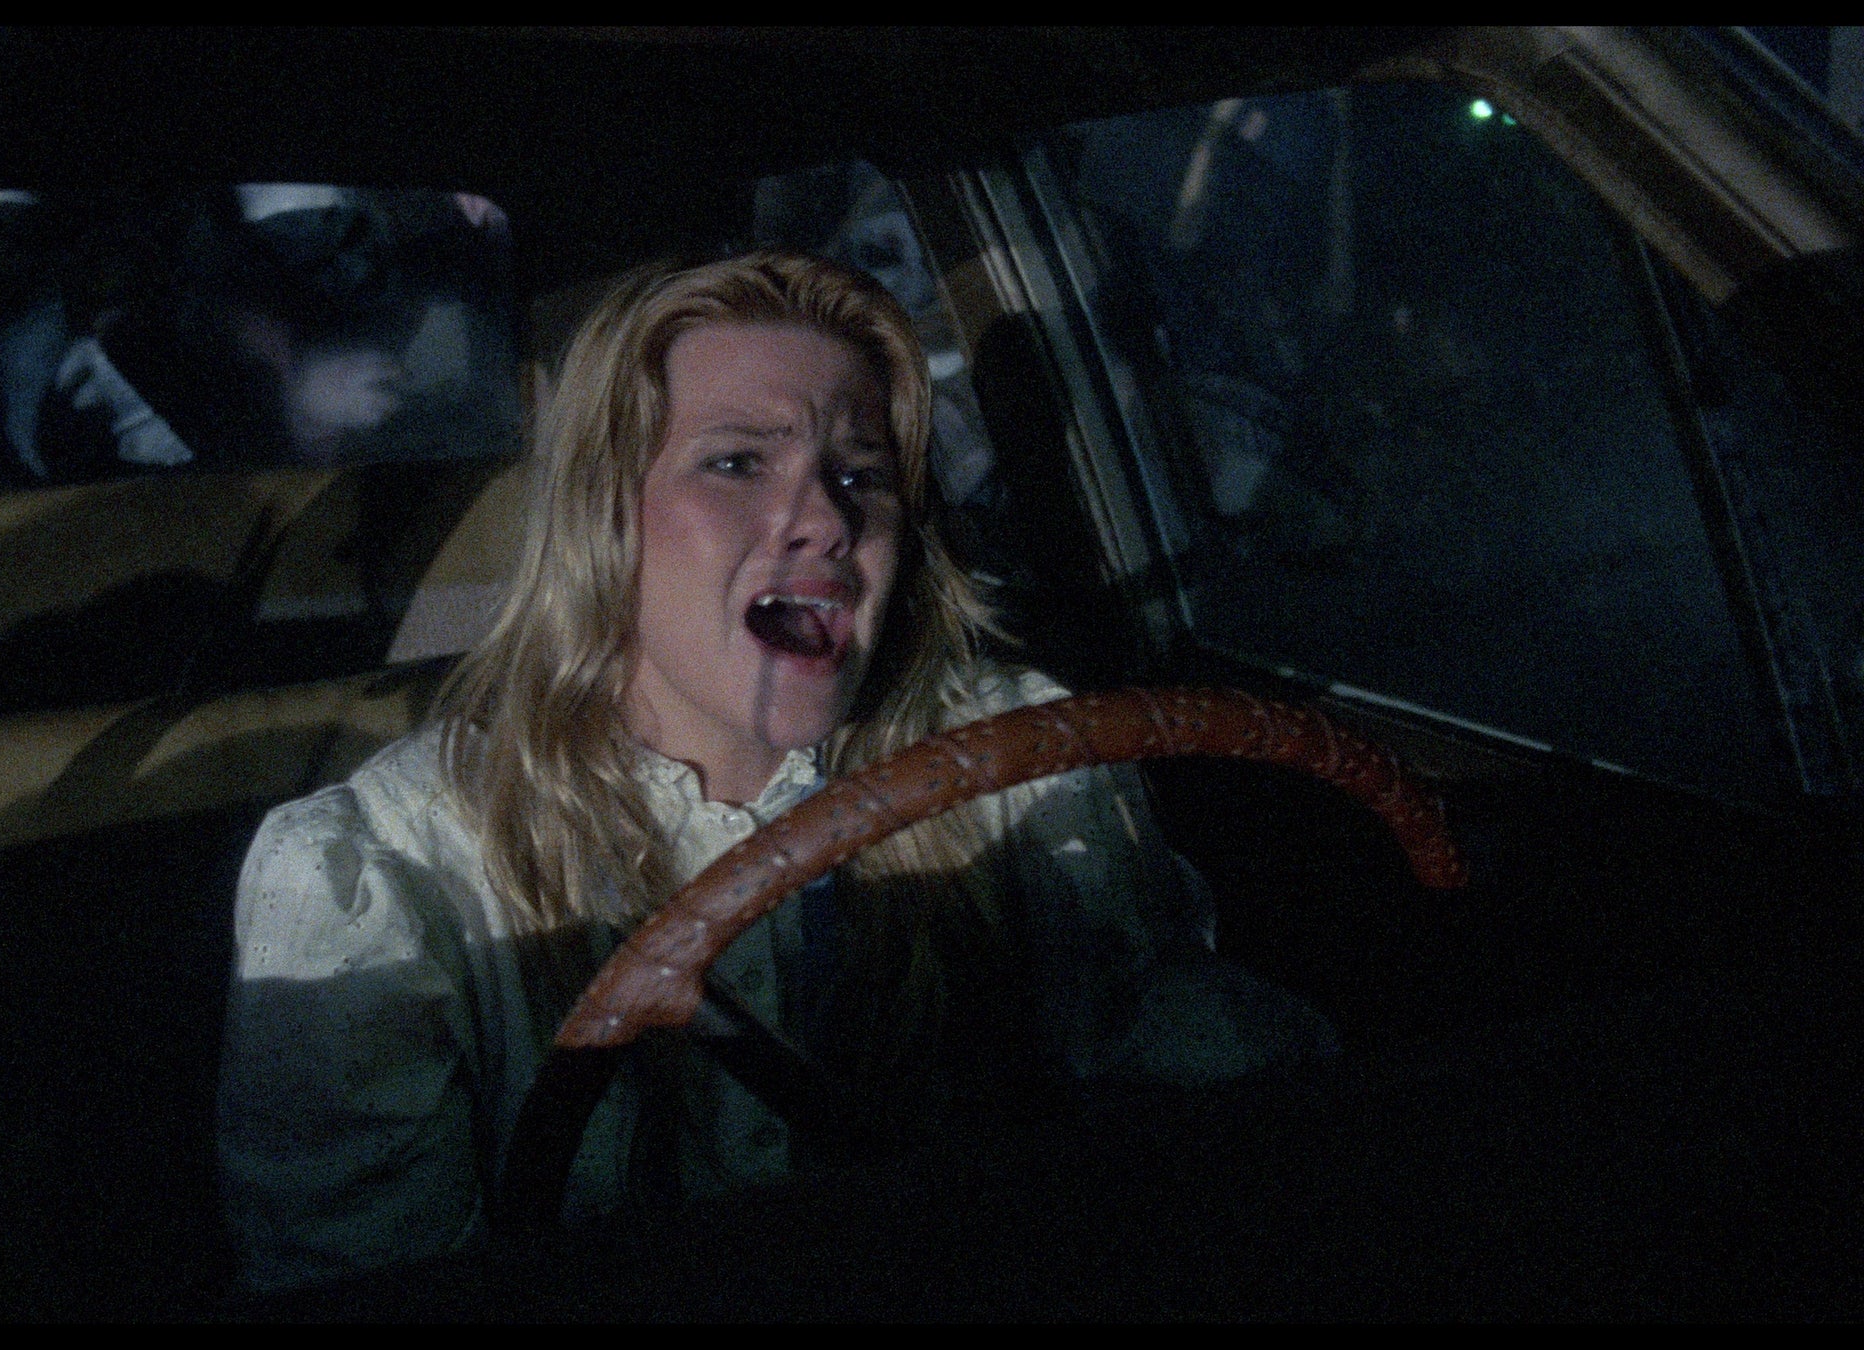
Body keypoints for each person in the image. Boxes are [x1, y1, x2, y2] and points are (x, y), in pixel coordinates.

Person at [217, 251, 1333, 1295]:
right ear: (605, 515)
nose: (825, 519)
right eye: (737, 462)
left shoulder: (1022, 765)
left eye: (861, 472)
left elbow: (1191, 1104)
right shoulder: (387, 874)